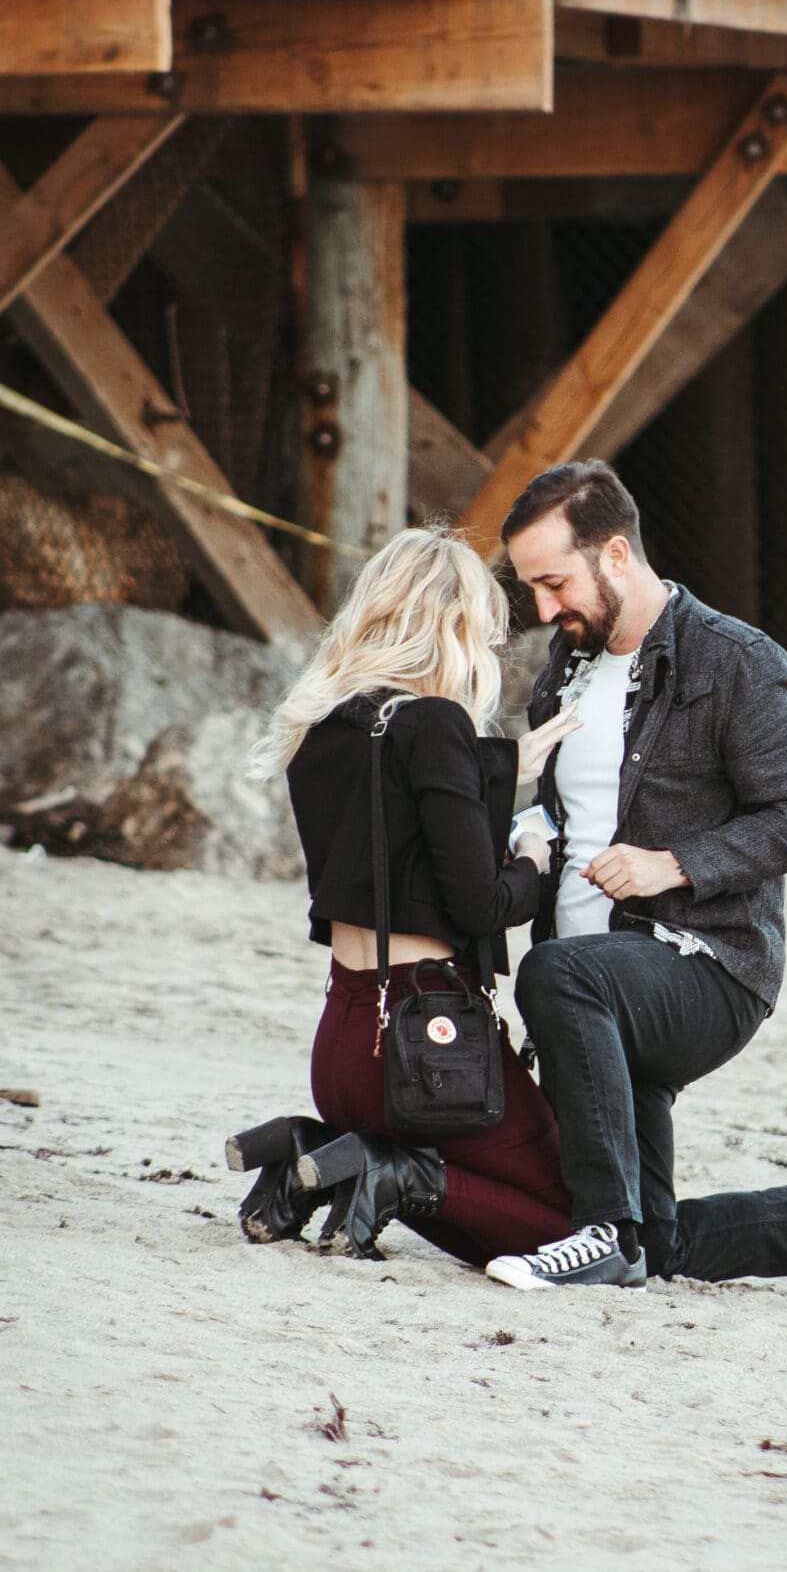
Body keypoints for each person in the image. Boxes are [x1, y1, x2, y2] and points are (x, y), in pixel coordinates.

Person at [485, 461, 787, 1294]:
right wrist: (522, 837)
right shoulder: (565, 669)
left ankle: (601, 1232)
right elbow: (563, 813)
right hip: (597, 981)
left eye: (554, 583)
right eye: (531, 590)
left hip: (704, 968)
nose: (543, 610)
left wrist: (674, 863)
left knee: (559, 977)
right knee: (664, 1246)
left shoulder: (736, 662)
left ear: (615, 555)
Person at [227, 528, 583, 1264]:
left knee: (483, 1224)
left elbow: (390, 822)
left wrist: (496, 764)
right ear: (454, 627)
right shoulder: (436, 724)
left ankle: (320, 1150)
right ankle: (391, 1169)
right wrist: (532, 858)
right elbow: (481, 905)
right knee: (576, 1225)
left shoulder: (321, 726)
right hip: (428, 1042)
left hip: (344, 1044)